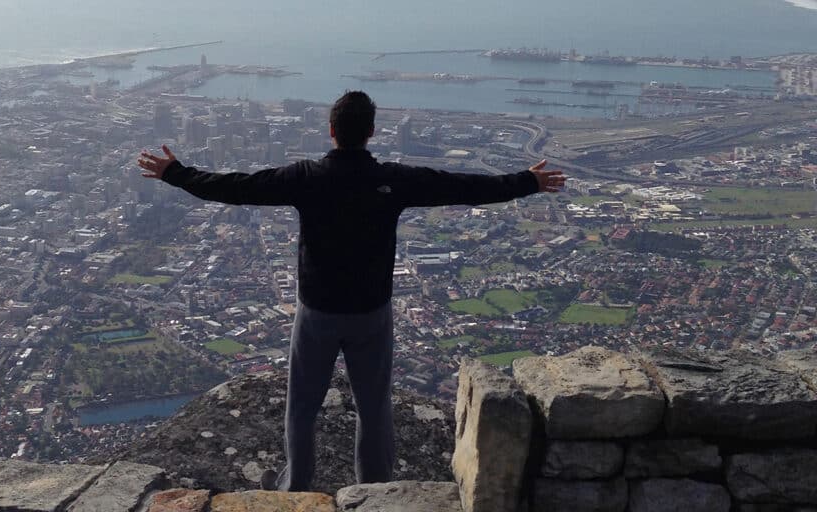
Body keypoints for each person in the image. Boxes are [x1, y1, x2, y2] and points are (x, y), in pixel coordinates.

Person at [138, 91, 566, 492]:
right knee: (373, 407)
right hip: (371, 315)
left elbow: (237, 187)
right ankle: (375, 490)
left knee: (302, 407)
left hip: (317, 313)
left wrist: (177, 174)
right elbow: (460, 185)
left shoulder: (307, 177)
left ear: (331, 130)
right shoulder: (392, 179)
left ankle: (296, 487)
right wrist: (526, 181)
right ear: (371, 133)